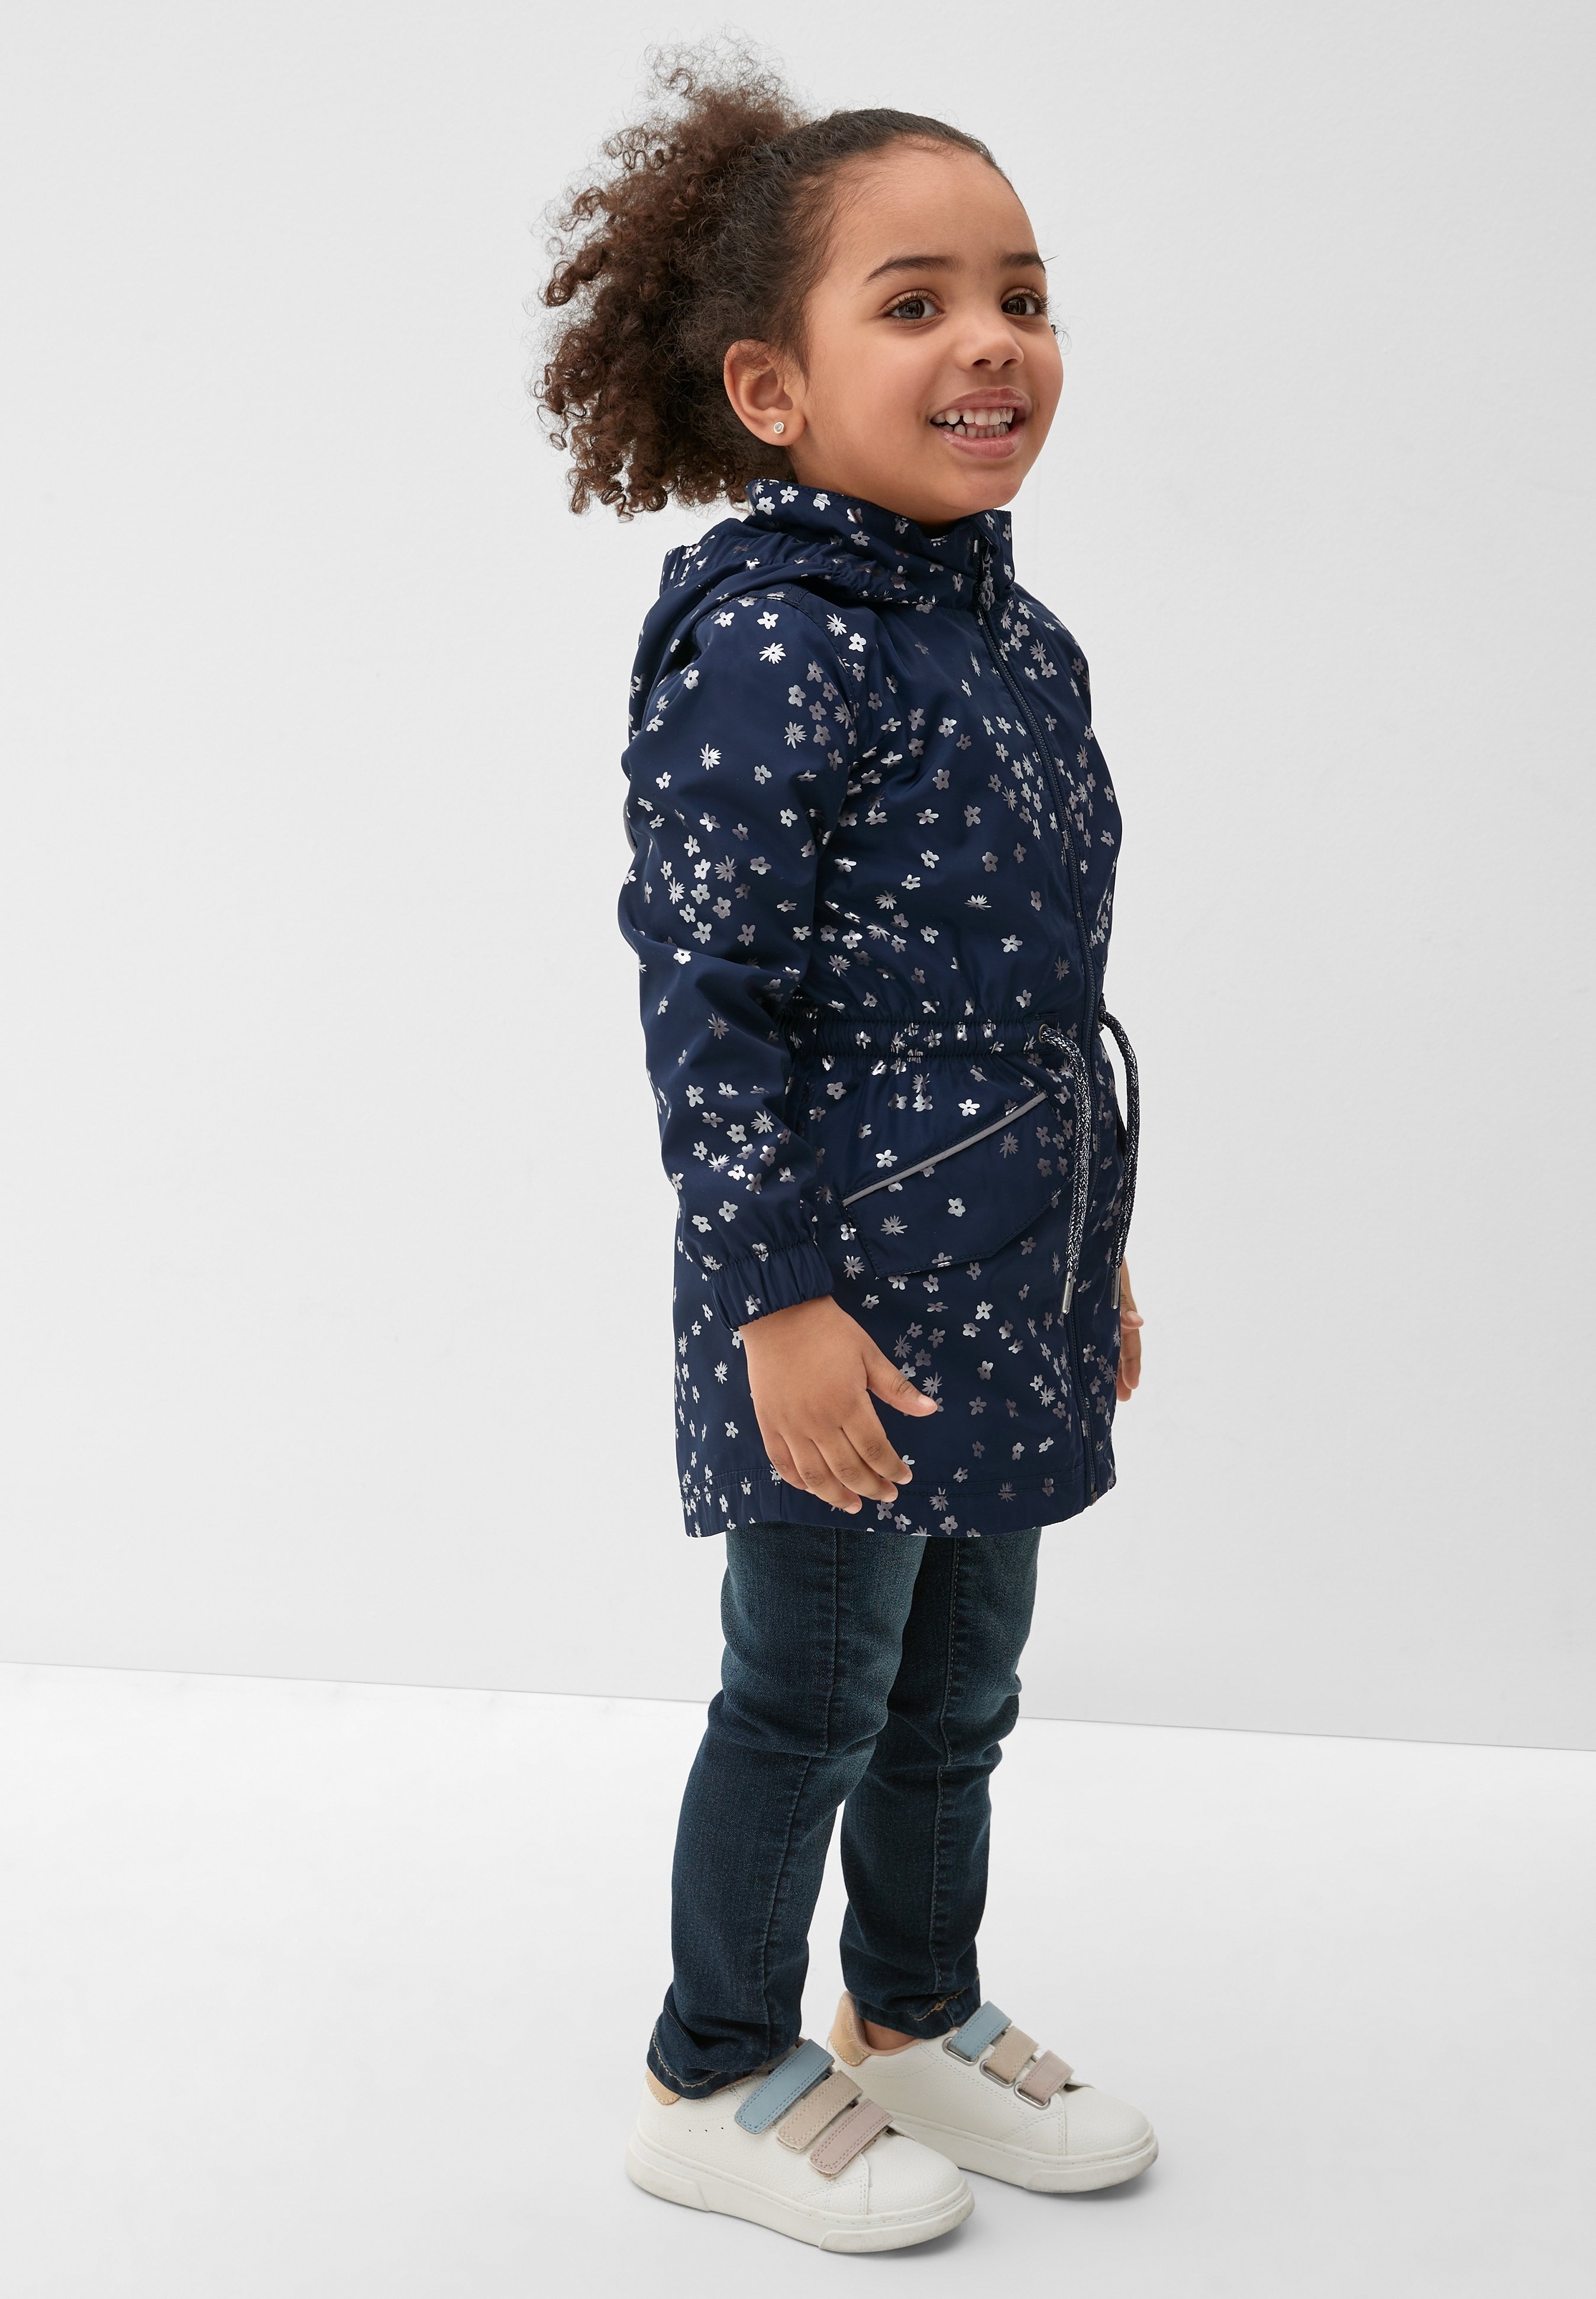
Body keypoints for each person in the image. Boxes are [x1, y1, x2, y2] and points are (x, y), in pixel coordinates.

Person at [535, 46, 1153, 2253]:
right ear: (769, 390)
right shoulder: (770, 640)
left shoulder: (1018, 640)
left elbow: (1033, 995)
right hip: (841, 1296)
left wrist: (1089, 1251)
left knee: (957, 1690)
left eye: (1021, 295)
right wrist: (776, 1299)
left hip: (1010, 1269)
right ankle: (710, 2065)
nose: (990, 340)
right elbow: (706, 1000)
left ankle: (905, 2007)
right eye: (914, 303)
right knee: (809, 1694)